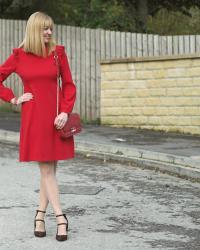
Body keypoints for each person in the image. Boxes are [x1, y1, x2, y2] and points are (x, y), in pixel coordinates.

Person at [0, 12, 76, 241]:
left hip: (56, 119)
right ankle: (61, 218)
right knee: (46, 170)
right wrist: (13, 98)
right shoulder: (19, 55)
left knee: (49, 171)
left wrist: (64, 111)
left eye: (51, 28)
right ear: (34, 29)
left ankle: (40, 215)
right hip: (34, 119)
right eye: (45, 29)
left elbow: (69, 85)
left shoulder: (57, 53)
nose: (50, 32)